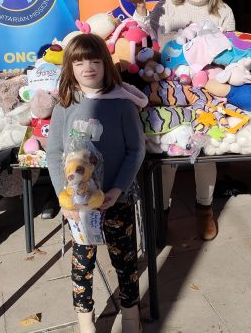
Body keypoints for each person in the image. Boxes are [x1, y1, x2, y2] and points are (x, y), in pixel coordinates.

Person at [46, 33, 147, 333]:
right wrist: (62, 196)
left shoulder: (122, 103)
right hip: (78, 206)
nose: (87, 67)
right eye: (78, 62)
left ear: (105, 64)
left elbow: (135, 149)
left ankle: (131, 314)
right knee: (81, 264)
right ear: (69, 67)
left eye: (94, 60)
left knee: (125, 260)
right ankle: (85, 320)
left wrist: (118, 190)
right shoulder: (64, 105)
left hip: (117, 199)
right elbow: (53, 153)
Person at [134, 0, 235, 240]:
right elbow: (143, 36)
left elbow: (230, 52)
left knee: (204, 149)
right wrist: (141, 7)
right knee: (167, 147)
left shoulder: (222, 12)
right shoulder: (167, 6)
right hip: (168, 88)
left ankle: (205, 211)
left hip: (204, 88)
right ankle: (161, 214)